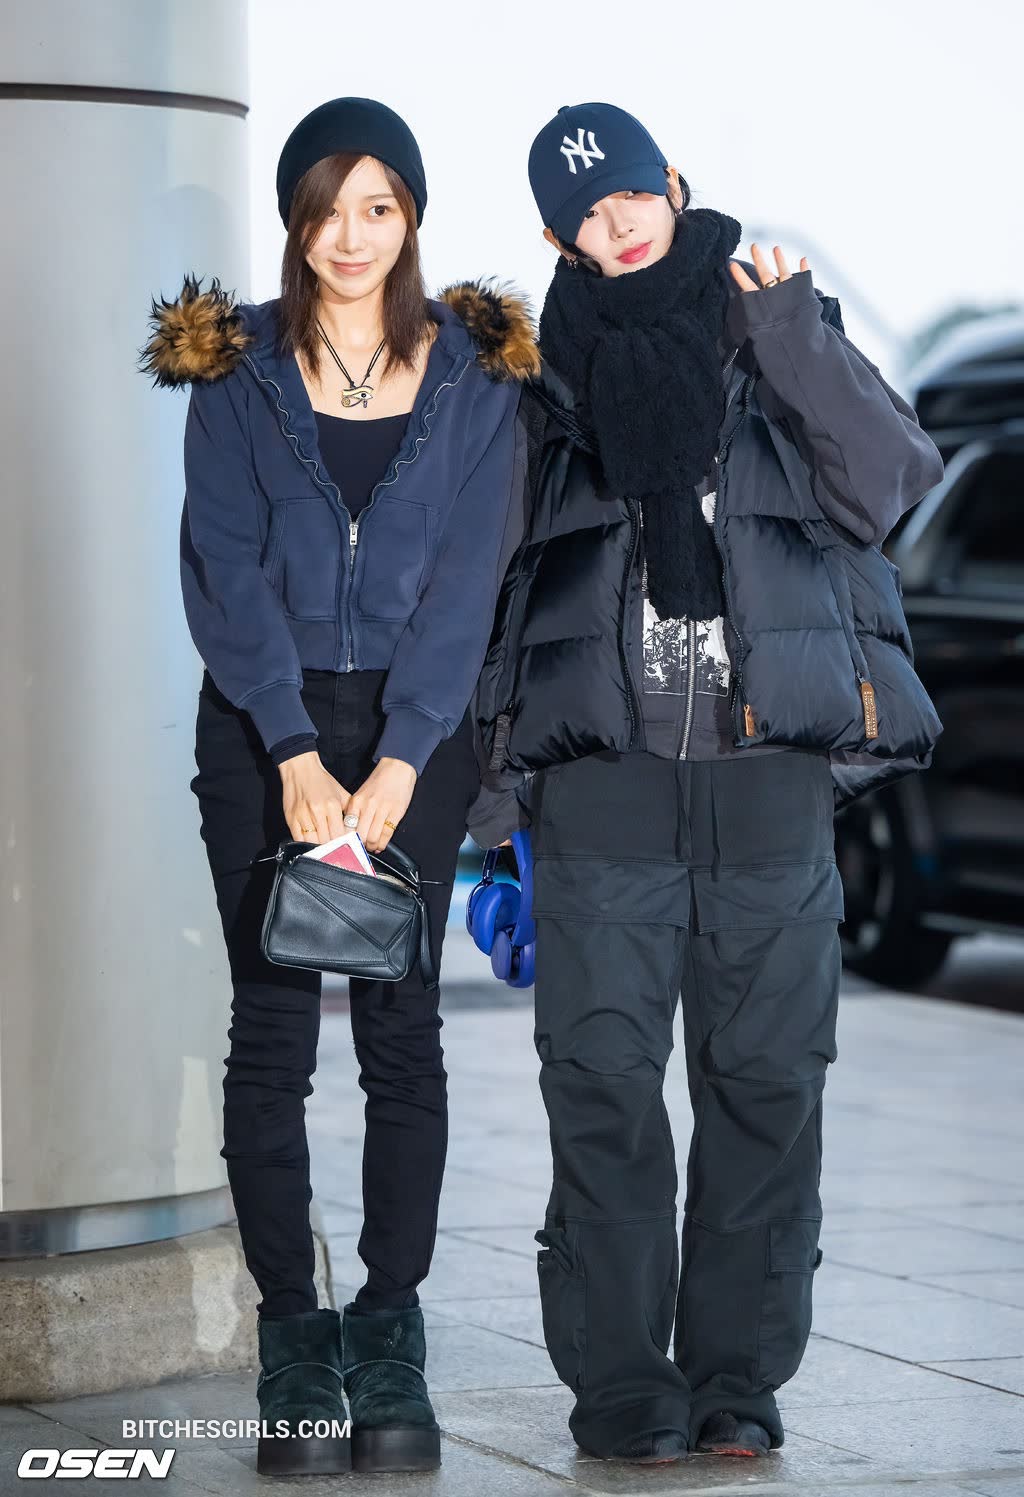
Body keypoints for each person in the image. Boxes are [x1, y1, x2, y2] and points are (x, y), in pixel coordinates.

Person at [467, 101, 944, 1465]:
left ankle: (736, 1378)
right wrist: (488, 824)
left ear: (671, 184)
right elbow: (481, 583)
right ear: (558, 238)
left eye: (629, 192)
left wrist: (793, 334)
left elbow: (889, 481)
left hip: (766, 787)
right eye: (583, 214)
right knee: (602, 1094)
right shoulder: (537, 386)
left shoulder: (775, 333)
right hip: (603, 795)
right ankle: (625, 1386)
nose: (614, 224)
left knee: (767, 1090)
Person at [140, 96, 537, 1477]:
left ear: (411, 217)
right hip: (266, 728)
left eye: (380, 206)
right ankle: (294, 1340)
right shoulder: (238, 370)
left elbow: (470, 581)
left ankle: (389, 1329)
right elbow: (223, 568)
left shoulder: (477, 378)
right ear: (295, 222)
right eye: (327, 209)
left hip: (418, 733)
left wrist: (407, 753)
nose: (352, 236)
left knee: (401, 1031)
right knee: (271, 1035)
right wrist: (296, 753)